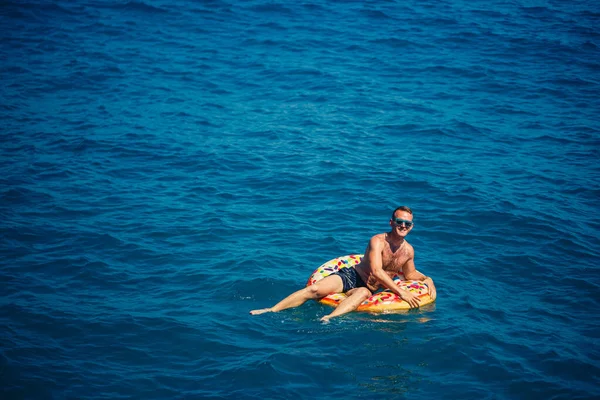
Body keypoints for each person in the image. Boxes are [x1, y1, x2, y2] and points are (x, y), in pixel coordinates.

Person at [250, 206, 437, 322]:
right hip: (352, 276)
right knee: (314, 290)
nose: (403, 226)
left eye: (408, 223)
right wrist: (401, 292)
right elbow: (377, 271)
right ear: (391, 222)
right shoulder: (378, 241)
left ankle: (328, 319)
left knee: (364, 292)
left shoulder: (408, 251)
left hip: (370, 289)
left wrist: (428, 279)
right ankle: (270, 309)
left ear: (411, 226)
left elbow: (410, 274)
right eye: (399, 221)